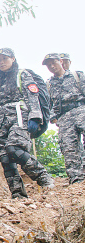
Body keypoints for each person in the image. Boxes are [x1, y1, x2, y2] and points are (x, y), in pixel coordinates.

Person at [0, 48, 54, 199]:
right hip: (0, 124)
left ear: (13, 59)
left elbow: (33, 96)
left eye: (4, 59)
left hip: (19, 118)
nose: (1, 62)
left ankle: (43, 176)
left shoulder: (22, 74)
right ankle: (18, 194)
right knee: (5, 158)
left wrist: (35, 118)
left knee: (14, 148)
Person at [43, 53, 85, 184]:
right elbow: (47, 104)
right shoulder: (49, 83)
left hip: (81, 110)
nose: (51, 66)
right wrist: (52, 117)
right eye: (48, 65)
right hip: (64, 117)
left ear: (61, 61)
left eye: (53, 62)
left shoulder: (76, 75)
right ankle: (76, 180)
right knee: (69, 148)